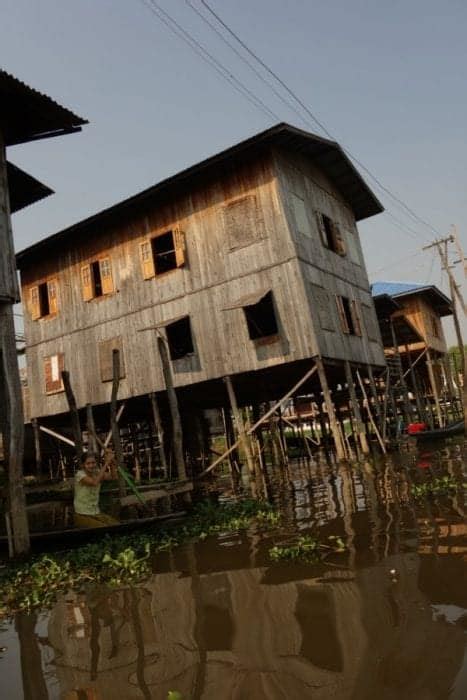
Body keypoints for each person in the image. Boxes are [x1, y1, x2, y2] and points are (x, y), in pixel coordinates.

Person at [74, 449, 119, 528]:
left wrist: (111, 462)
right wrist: (106, 463)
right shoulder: (80, 474)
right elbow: (94, 483)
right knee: (103, 529)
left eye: (93, 463)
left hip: (95, 512)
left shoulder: (97, 472)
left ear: (96, 463)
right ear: (83, 465)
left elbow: (113, 477)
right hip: (82, 513)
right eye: (88, 463)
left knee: (116, 525)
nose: (91, 465)